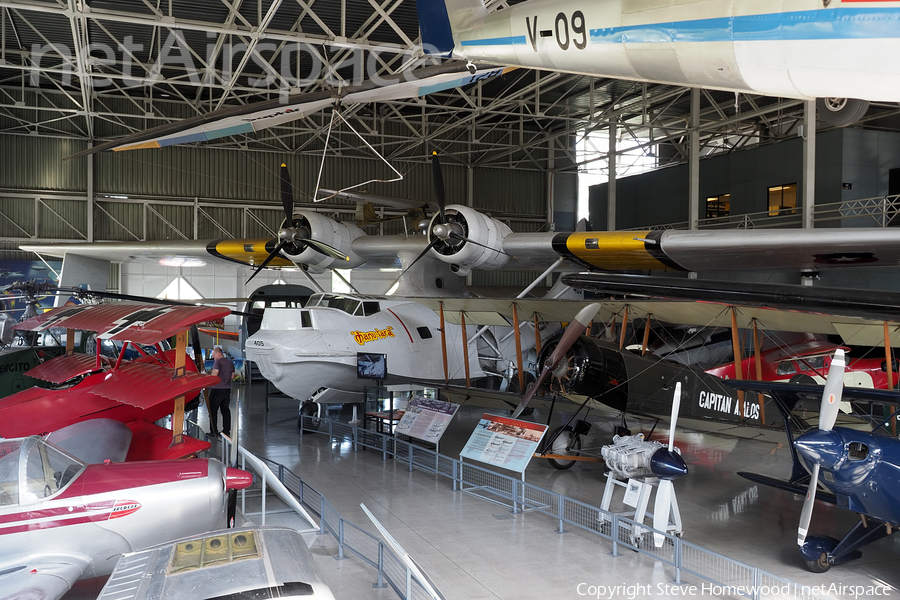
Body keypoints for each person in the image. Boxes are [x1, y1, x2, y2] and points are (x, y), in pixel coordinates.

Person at [208, 347, 234, 438]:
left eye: (213, 355)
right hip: (227, 389)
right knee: (225, 410)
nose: (213, 357)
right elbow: (232, 377)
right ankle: (226, 431)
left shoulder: (217, 362)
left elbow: (215, 375)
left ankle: (214, 431)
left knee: (213, 410)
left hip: (217, 389)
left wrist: (207, 377)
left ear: (217, 353)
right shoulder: (230, 363)